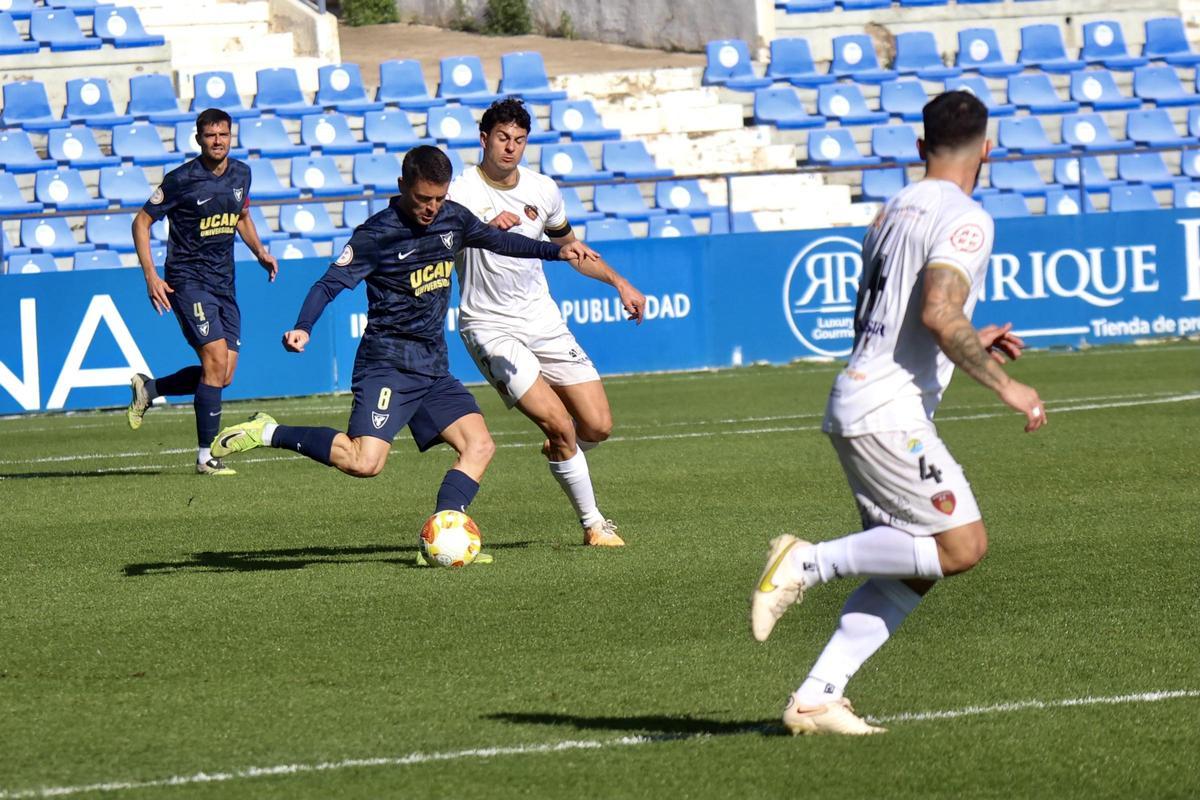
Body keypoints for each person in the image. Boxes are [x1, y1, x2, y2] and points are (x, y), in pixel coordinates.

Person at [750, 91, 1047, 735]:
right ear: (988, 150)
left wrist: (974, 333)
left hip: (860, 399)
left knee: (912, 569)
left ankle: (817, 698)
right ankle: (806, 562)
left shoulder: (889, 212)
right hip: (889, 415)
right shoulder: (965, 217)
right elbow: (940, 312)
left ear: (921, 147)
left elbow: (898, 314)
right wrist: (1006, 387)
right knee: (962, 547)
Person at [208, 146, 600, 545]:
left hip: (432, 366)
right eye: (423, 198)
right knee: (364, 462)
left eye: (439, 198)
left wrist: (556, 250)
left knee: (480, 446)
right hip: (388, 364)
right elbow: (329, 284)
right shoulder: (376, 235)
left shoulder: (453, 218)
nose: (432, 207)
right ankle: (269, 431)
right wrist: (303, 327)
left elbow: (501, 243)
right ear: (402, 187)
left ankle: (445, 535)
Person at [449, 98, 646, 547]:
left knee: (596, 427)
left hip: (544, 321)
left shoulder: (543, 189)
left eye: (519, 140)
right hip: (489, 326)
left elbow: (570, 248)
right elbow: (434, 235)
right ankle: (594, 524)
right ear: (484, 139)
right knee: (559, 423)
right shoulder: (461, 192)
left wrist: (619, 281)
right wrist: (477, 226)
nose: (510, 148)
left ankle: (563, 451)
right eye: (502, 138)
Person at [126, 108, 278, 475]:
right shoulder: (181, 180)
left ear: (231, 136)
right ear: (198, 139)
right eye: (210, 135)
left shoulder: (242, 173)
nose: (218, 141)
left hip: (224, 282)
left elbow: (241, 215)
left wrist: (260, 252)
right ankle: (205, 458)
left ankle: (149, 389)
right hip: (188, 280)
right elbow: (141, 222)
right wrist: (151, 276)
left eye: (223, 134)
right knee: (213, 360)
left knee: (223, 374)